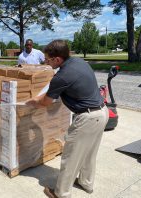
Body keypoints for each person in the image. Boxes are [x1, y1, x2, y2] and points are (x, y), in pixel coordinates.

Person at [26, 40, 109, 198]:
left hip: (87, 118)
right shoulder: (78, 62)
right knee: (90, 152)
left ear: (57, 59)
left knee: (70, 157)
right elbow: (53, 91)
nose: (46, 62)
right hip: (101, 112)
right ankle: (86, 183)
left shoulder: (62, 76)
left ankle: (61, 194)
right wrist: (41, 97)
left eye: (48, 59)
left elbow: (45, 102)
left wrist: (33, 102)